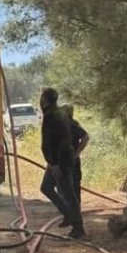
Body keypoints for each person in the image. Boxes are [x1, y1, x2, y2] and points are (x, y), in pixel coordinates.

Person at [39, 88, 86, 239]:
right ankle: (68, 214)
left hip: (61, 161)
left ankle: (78, 228)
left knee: (69, 194)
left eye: (42, 97)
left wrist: (57, 164)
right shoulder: (52, 114)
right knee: (46, 187)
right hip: (55, 161)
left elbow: (61, 143)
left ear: (45, 99)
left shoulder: (54, 116)